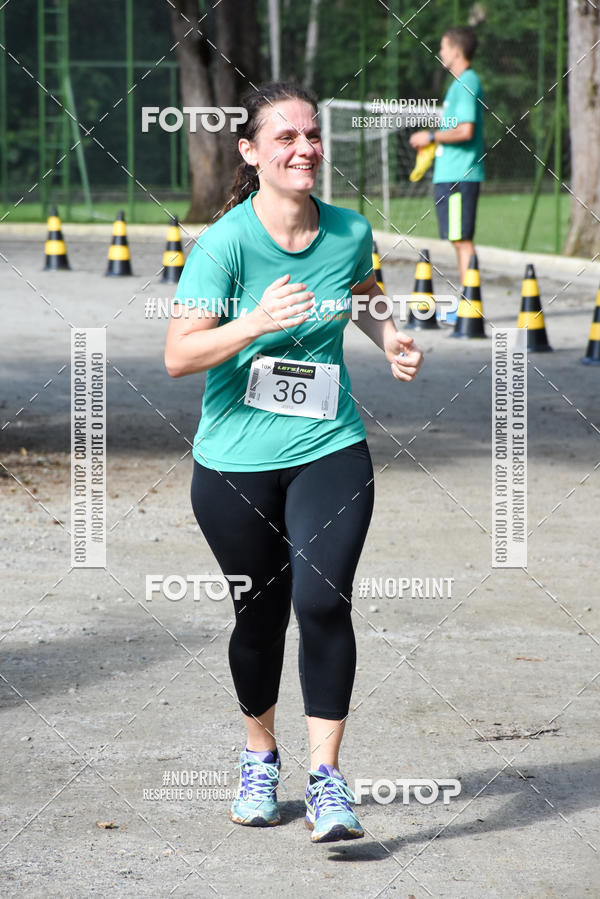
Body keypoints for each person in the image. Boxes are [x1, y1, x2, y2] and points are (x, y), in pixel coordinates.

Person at [164, 81, 424, 843]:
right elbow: (180, 354)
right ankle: (258, 752)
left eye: (312, 135)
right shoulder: (225, 244)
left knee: (322, 601)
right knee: (261, 613)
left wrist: (391, 337)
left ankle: (328, 779)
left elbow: (364, 289)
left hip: (329, 449)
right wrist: (253, 323)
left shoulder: (349, 230)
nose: (305, 148)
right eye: (286, 138)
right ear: (251, 152)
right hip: (233, 464)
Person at [409, 26, 485, 322]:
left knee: (462, 240)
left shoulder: (467, 81)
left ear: (456, 50)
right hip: (451, 175)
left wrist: (431, 136)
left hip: (459, 176)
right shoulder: (458, 84)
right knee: (457, 239)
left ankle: (469, 305)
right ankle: (466, 301)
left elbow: (466, 130)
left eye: (442, 47)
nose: (440, 53)